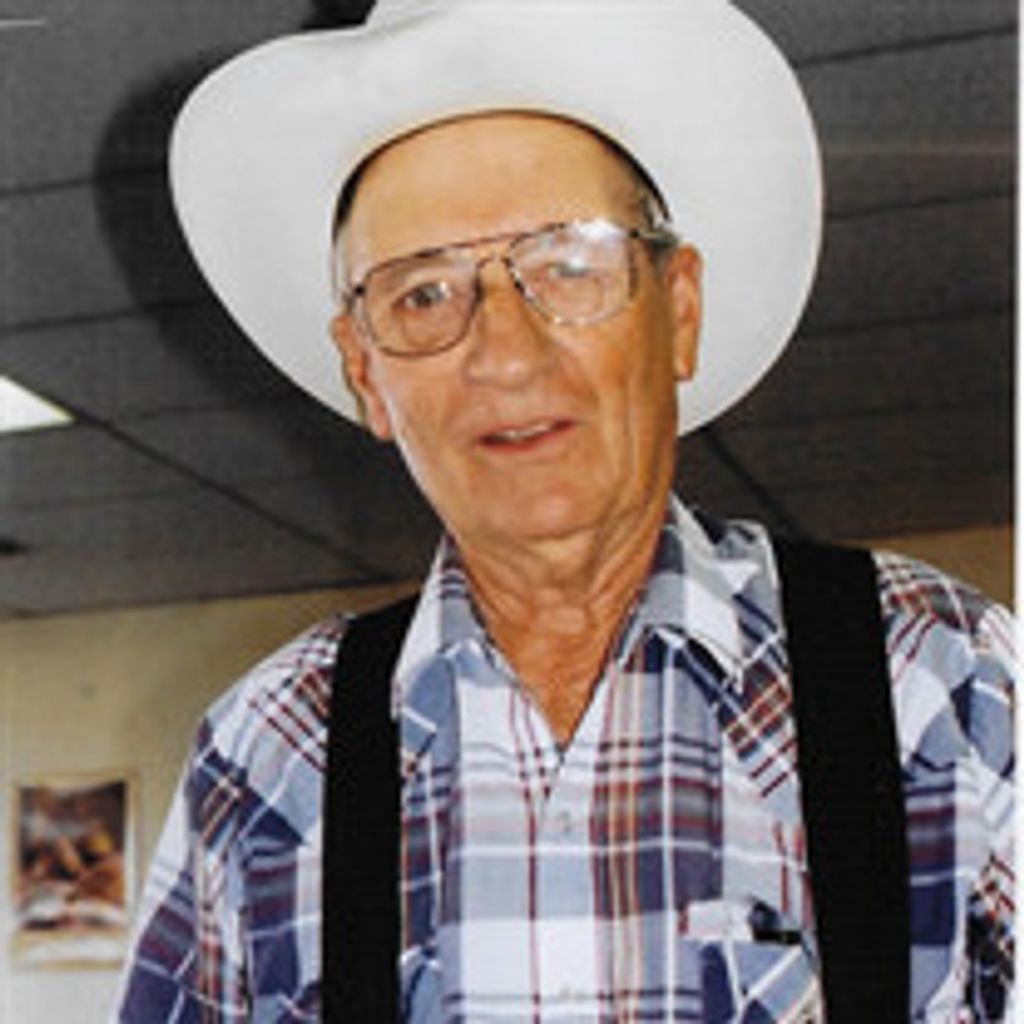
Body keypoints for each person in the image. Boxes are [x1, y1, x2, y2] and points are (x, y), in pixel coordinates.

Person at [115, 1, 1015, 1020]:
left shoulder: (942, 682)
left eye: (568, 265)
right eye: (423, 294)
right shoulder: (268, 754)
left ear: (678, 310)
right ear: (366, 373)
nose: (504, 351)